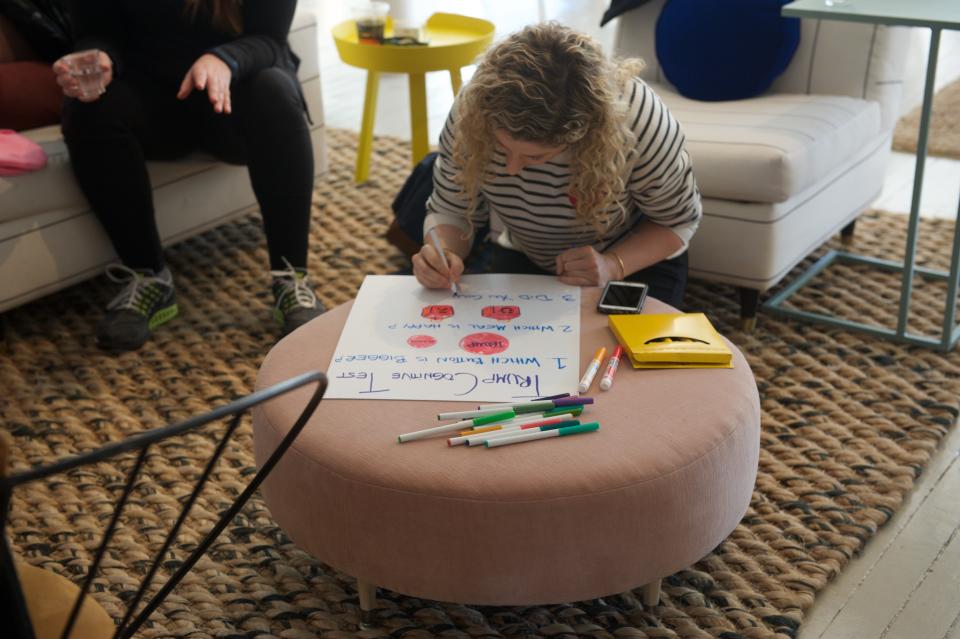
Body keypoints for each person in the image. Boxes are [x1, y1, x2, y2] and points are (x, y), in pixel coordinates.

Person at [53, 0, 322, 352]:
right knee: (85, 111)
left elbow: (270, 40)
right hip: (155, 104)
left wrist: (224, 59)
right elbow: (99, 32)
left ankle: (291, 277)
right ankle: (148, 277)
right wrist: (99, 57)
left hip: (235, 98)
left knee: (273, 89)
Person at [411, 22, 702, 308]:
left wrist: (612, 265)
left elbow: (677, 220)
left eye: (535, 157)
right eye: (502, 148)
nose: (512, 169)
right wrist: (442, 252)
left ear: (584, 134)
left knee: (623, 352)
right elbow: (451, 207)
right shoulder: (472, 109)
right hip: (528, 252)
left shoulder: (638, 121)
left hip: (635, 258)